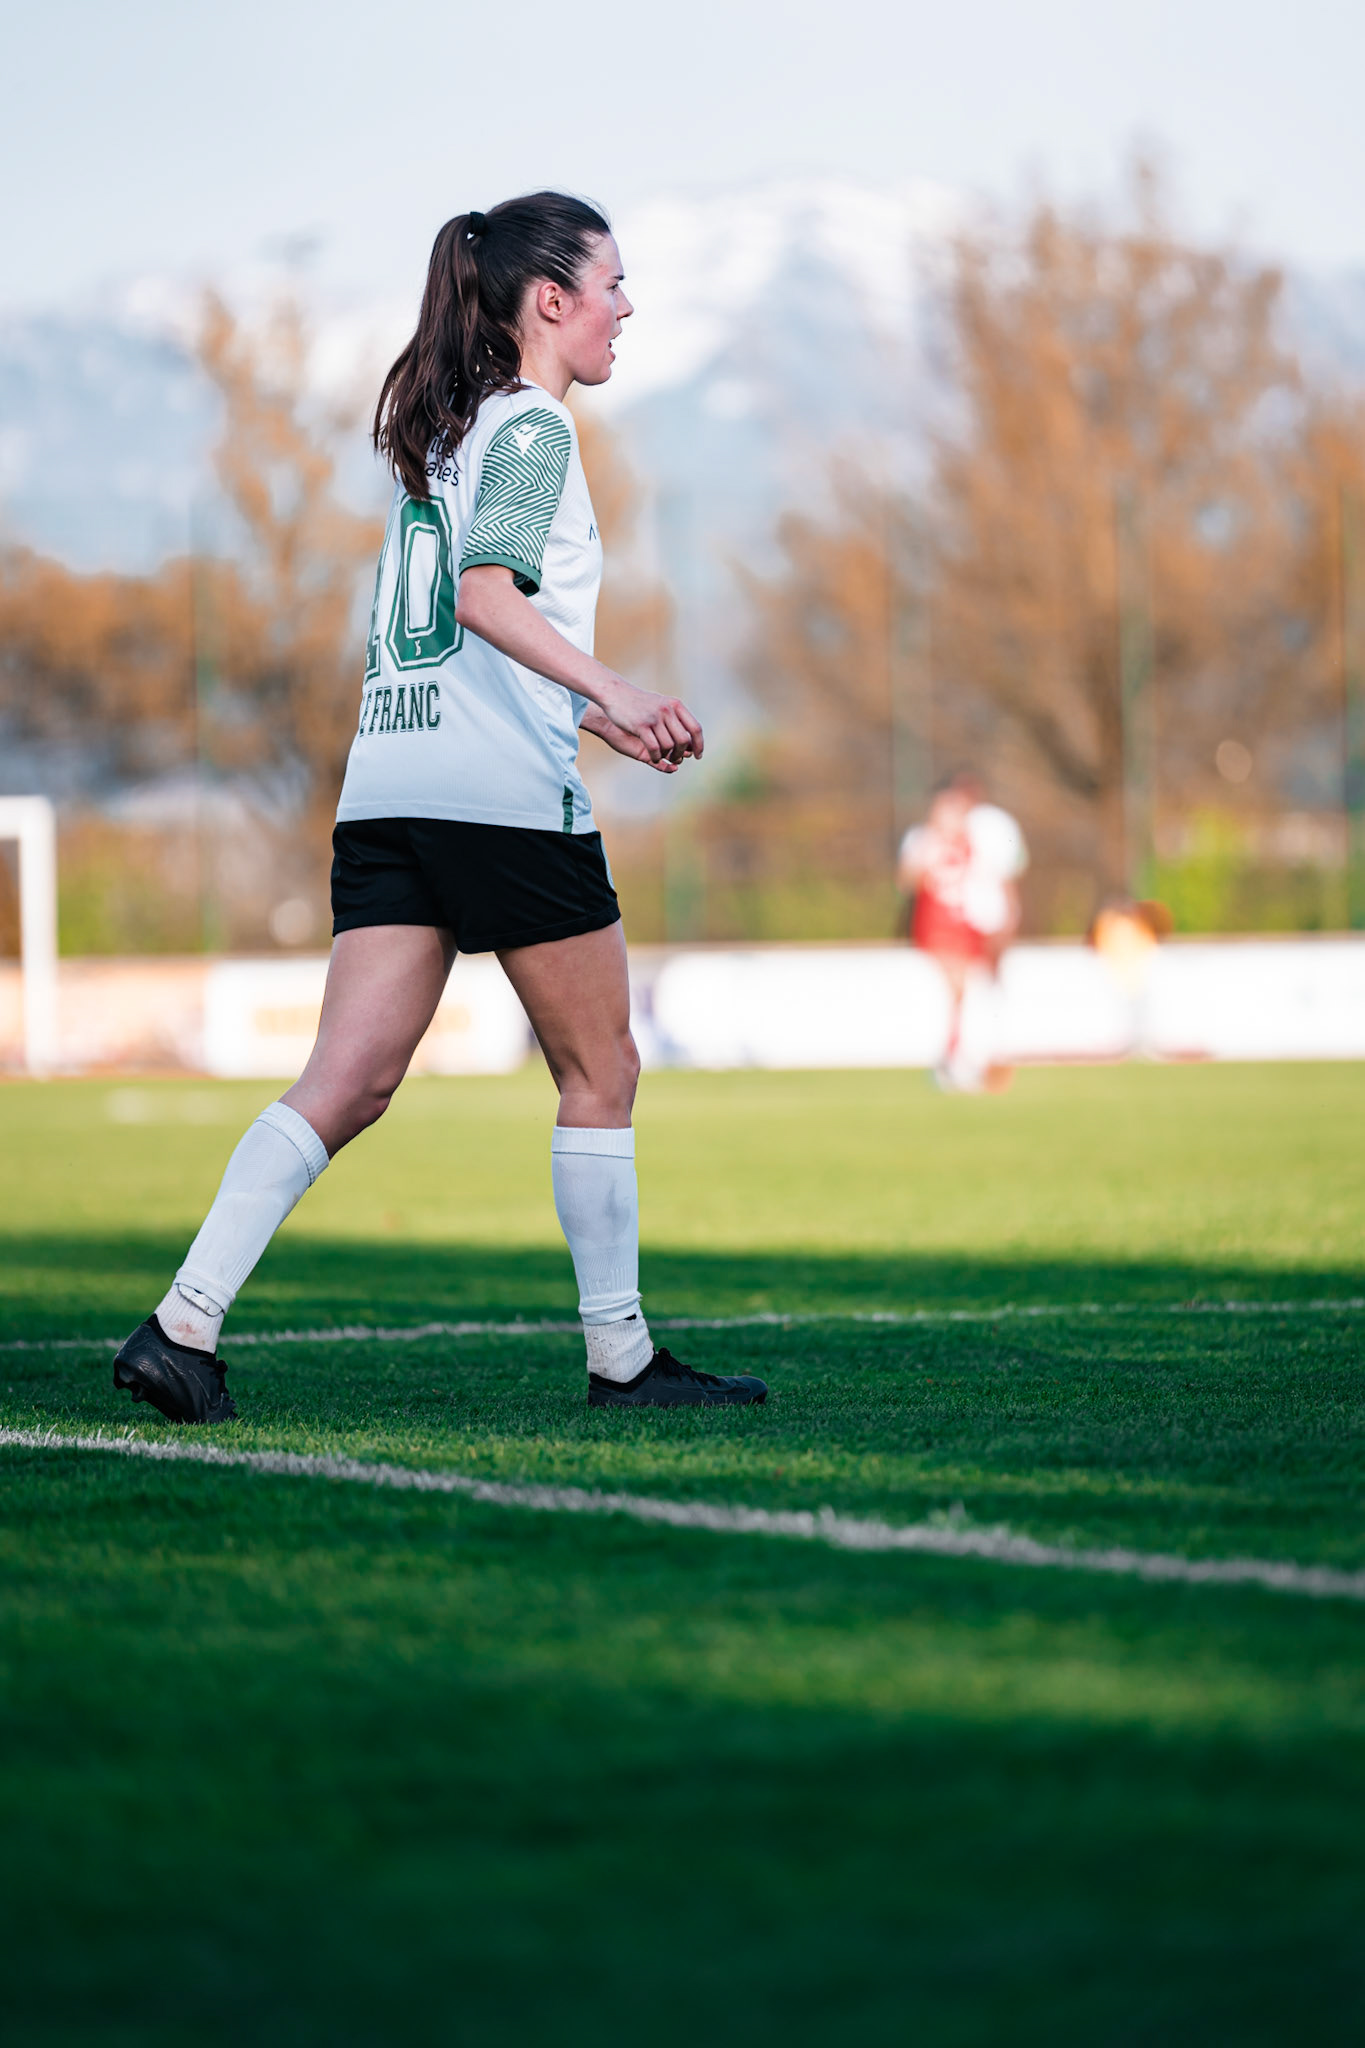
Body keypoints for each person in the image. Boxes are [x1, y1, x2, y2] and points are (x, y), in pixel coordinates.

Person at [111, 193, 767, 1421]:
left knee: (346, 1082)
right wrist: (613, 684)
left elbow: (465, 641)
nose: (627, 308)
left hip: (391, 791)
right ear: (551, 301)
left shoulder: (450, 431)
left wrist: (598, 715)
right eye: (612, 285)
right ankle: (623, 1359)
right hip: (499, 806)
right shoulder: (535, 428)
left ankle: (181, 1325)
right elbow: (481, 595)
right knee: (603, 1067)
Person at [897, 774, 1027, 1091]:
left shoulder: (982, 837)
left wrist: (1005, 916)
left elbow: (1001, 878)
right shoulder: (922, 840)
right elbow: (907, 881)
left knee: (976, 994)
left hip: (971, 928)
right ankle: (957, 1063)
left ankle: (970, 1061)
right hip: (937, 928)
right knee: (955, 995)